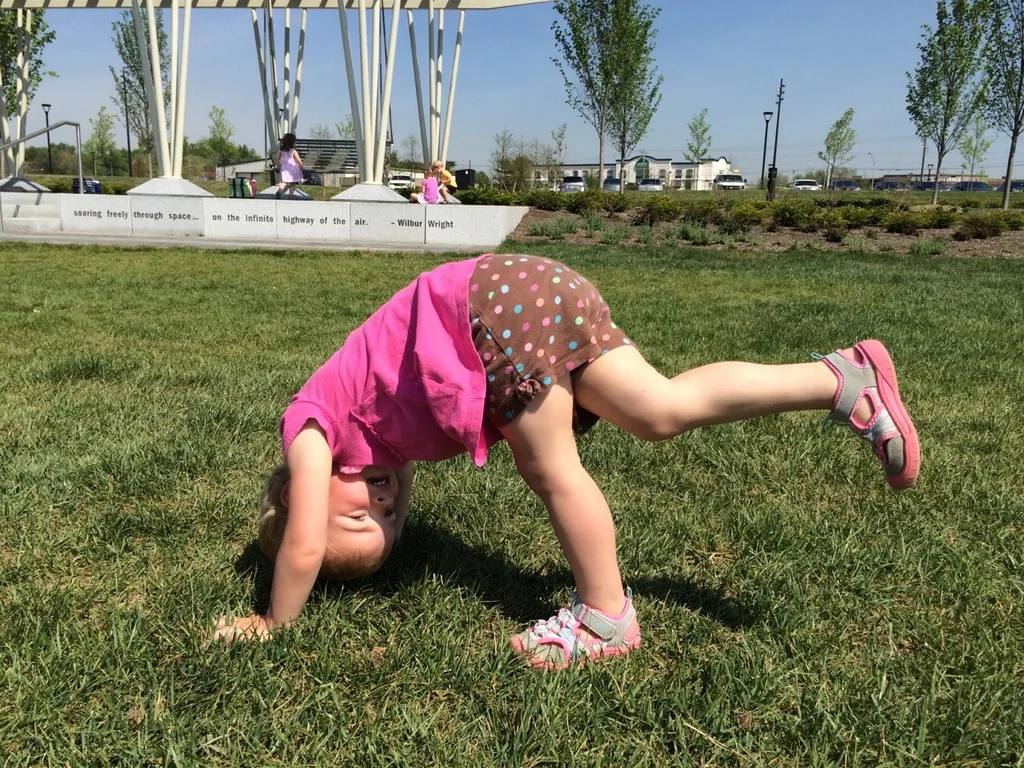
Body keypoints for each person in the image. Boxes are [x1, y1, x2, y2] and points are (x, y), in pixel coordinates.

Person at [214, 254, 920, 670]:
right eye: (393, 521)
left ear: (299, 495)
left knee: (551, 469)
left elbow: (302, 546)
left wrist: (273, 621)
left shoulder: (310, 425)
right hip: (523, 290)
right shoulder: (370, 442)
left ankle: (605, 618)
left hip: (489, 313)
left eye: (361, 517)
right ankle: (840, 381)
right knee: (659, 410)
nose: (387, 504)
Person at [274, 133, 304, 200]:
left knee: (283, 182)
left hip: (284, 168)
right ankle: (290, 196)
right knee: (292, 183)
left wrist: (279, 165)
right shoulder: (293, 151)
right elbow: (299, 160)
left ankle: (280, 190)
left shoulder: (282, 151)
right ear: (292, 142)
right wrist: (302, 167)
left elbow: (276, 158)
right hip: (292, 169)